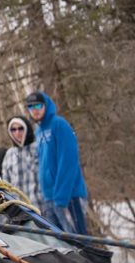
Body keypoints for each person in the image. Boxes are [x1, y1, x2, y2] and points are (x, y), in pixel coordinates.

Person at [26, 91, 88, 234]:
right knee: (64, 245)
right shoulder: (38, 131)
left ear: (45, 105)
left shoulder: (59, 125)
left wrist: (61, 196)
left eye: (38, 106)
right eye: (31, 107)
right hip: (49, 198)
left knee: (79, 240)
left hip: (68, 196)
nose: (35, 110)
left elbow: (68, 161)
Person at [2, 115, 43, 208]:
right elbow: (6, 184)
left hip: (43, 205)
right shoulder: (9, 154)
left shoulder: (39, 148)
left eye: (21, 128)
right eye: (13, 129)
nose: (17, 132)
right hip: (22, 209)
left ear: (27, 129)